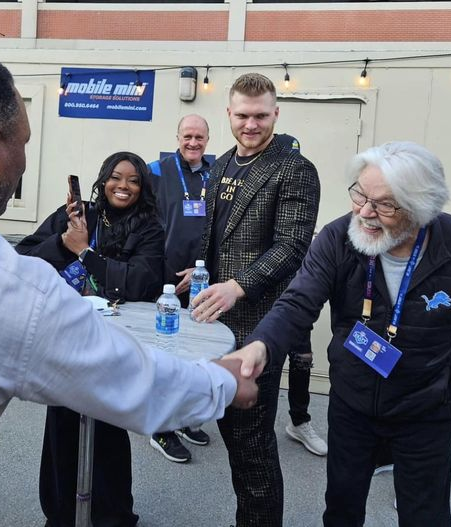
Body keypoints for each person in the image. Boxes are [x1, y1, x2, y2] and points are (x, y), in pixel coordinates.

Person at [0, 46, 259, 527]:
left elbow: (141, 280)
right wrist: (222, 380)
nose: (26, 164)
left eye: (132, 181)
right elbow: (129, 381)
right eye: (23, 143)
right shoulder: (8, 285)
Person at [243, 141, 451, 527]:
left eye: (385, 205)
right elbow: (298, 302)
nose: (365, 212)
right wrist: (259, 346)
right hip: (353, 403)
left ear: (421, 208)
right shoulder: (337, 239)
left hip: (427, 411)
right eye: (360, 194)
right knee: (343, 509)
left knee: (425, 516)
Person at [190, 73, 321, 526]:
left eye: (261, 116)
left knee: (252, 445)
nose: (251, 124)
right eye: (243, 115)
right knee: (231, 433)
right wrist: (204, 272)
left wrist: (236, 285)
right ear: (228, 114)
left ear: (276, 114)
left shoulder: (294, 168)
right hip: (213, 320)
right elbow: (221, 238)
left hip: (258, 326)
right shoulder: (221, 162)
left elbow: (292, 246)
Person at [16, 151, 162, 527]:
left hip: (114, 342)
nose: (123, 186)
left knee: (107, 429)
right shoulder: (80, 216)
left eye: (133, 180)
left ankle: (112, 515)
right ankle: (61, 513)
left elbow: (141, 281)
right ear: (102, 180)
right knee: (63, 425)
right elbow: (25, 256)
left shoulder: (149, 227)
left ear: (142, 186)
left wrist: (86, 252)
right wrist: (66, 242)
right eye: (115, 177)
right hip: (66, 339)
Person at [147, 114, 214, 463]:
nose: (193, 142)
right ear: (177, 136)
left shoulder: (215, 173)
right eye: (187, 136)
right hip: (164, 279)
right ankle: (160, 427)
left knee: (194, 352)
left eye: (199, 137)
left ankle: (185, 418)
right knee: (166, 353)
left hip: (200, 276)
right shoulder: (157, 170)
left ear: (207, 139)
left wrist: (205, 268)